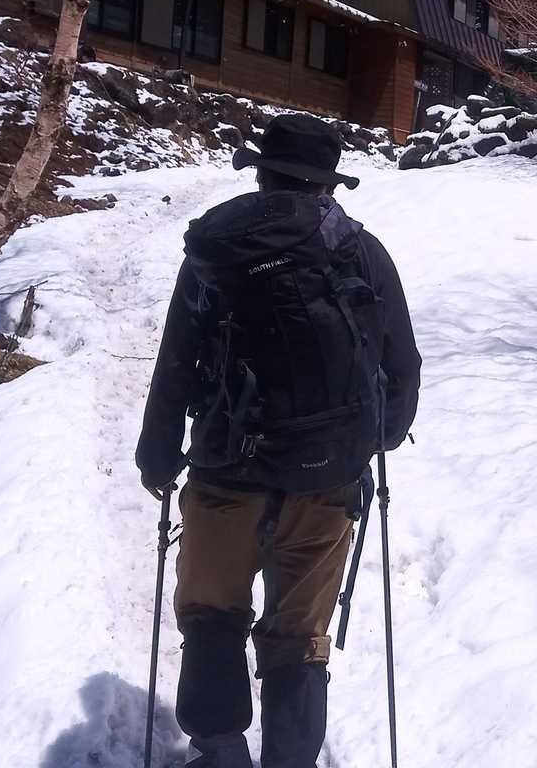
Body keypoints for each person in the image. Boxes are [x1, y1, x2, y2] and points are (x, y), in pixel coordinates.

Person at [136, 114, 421, 768]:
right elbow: (401, 364)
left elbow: (176, 358)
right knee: (299, 635)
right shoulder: (360, 251)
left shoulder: (217, 250)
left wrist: (158, 451)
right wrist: (374, 440)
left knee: (211, 613)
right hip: (327, 479)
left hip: (224, 470)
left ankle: (220, 752)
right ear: (329, 183)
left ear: (261, 174)